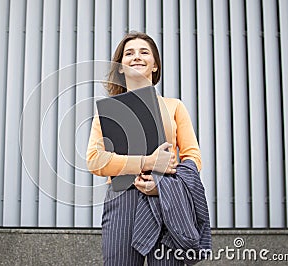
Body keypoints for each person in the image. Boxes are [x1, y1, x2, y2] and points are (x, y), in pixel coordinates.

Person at [86, 31, 204, 265]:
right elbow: (95, 160)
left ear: (155, 65)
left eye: (144, 52)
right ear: (120, 67)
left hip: (166, 199)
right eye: (129, 53)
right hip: (123, 200)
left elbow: (193, 157)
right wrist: (146, 162)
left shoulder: (174, 106)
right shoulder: (108, 112)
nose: (136, 57)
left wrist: (162, 186)